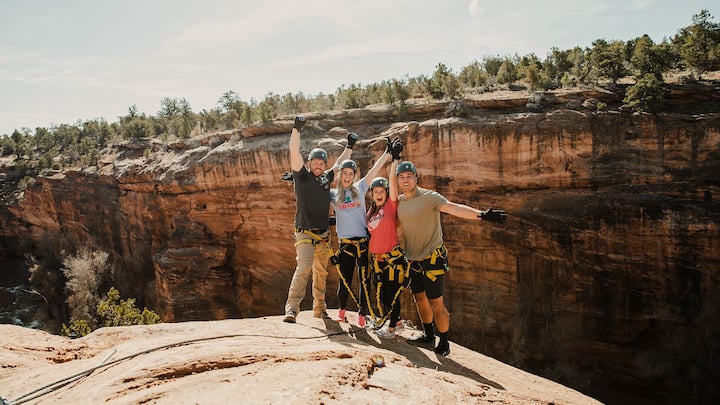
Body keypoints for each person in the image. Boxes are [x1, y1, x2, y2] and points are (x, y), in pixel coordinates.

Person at [396, 160, 507, 356]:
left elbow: (454, 208)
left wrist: (481, 215)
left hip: (432, 259)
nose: (406, 180)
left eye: (409, 176)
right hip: (412, 261)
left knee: (436, 303)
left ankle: (444, 342)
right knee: (419, 298)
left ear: (416, 178)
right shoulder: (399, 202)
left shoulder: (430, 197)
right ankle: (428, 335)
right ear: (397, 180)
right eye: (402, 177)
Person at [282, 116, 354, 323]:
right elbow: (294, 151)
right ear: (309, 163)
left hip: (323, 235)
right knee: (304, 268)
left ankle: (319, 309)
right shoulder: (302, 176)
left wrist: (350, 146)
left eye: (322, 163)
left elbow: (339, 164)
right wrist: (296, 129)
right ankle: (292, 309)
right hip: (305, 233)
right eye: (315, 162)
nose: (318, 166)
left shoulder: (326, 178)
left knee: (321, 273)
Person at [330, 141, 391, 328]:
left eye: (351, 174)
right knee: (345, 279)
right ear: (340, 175)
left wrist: (387, 153)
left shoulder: (360, 187)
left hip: (363, 242)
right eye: (345, 173)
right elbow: (316, 189)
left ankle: (362, 315)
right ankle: (341, 311)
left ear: (354, 175)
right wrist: (299, 180)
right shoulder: (333, 194)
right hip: (346, 244)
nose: (348, 177)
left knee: (365, 281)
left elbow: (374, 170)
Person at [367, 138, 408, 339]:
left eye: (382, 191)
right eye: (376, 192)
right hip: (377, 261)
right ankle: (396, 322)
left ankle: (391, 329)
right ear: (372, 195)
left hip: (392, 259)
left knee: (392, 294)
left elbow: (392, 181)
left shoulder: (391, 206)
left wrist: (395, 159)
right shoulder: (370, 213)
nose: (379, 194)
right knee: (382, 294)